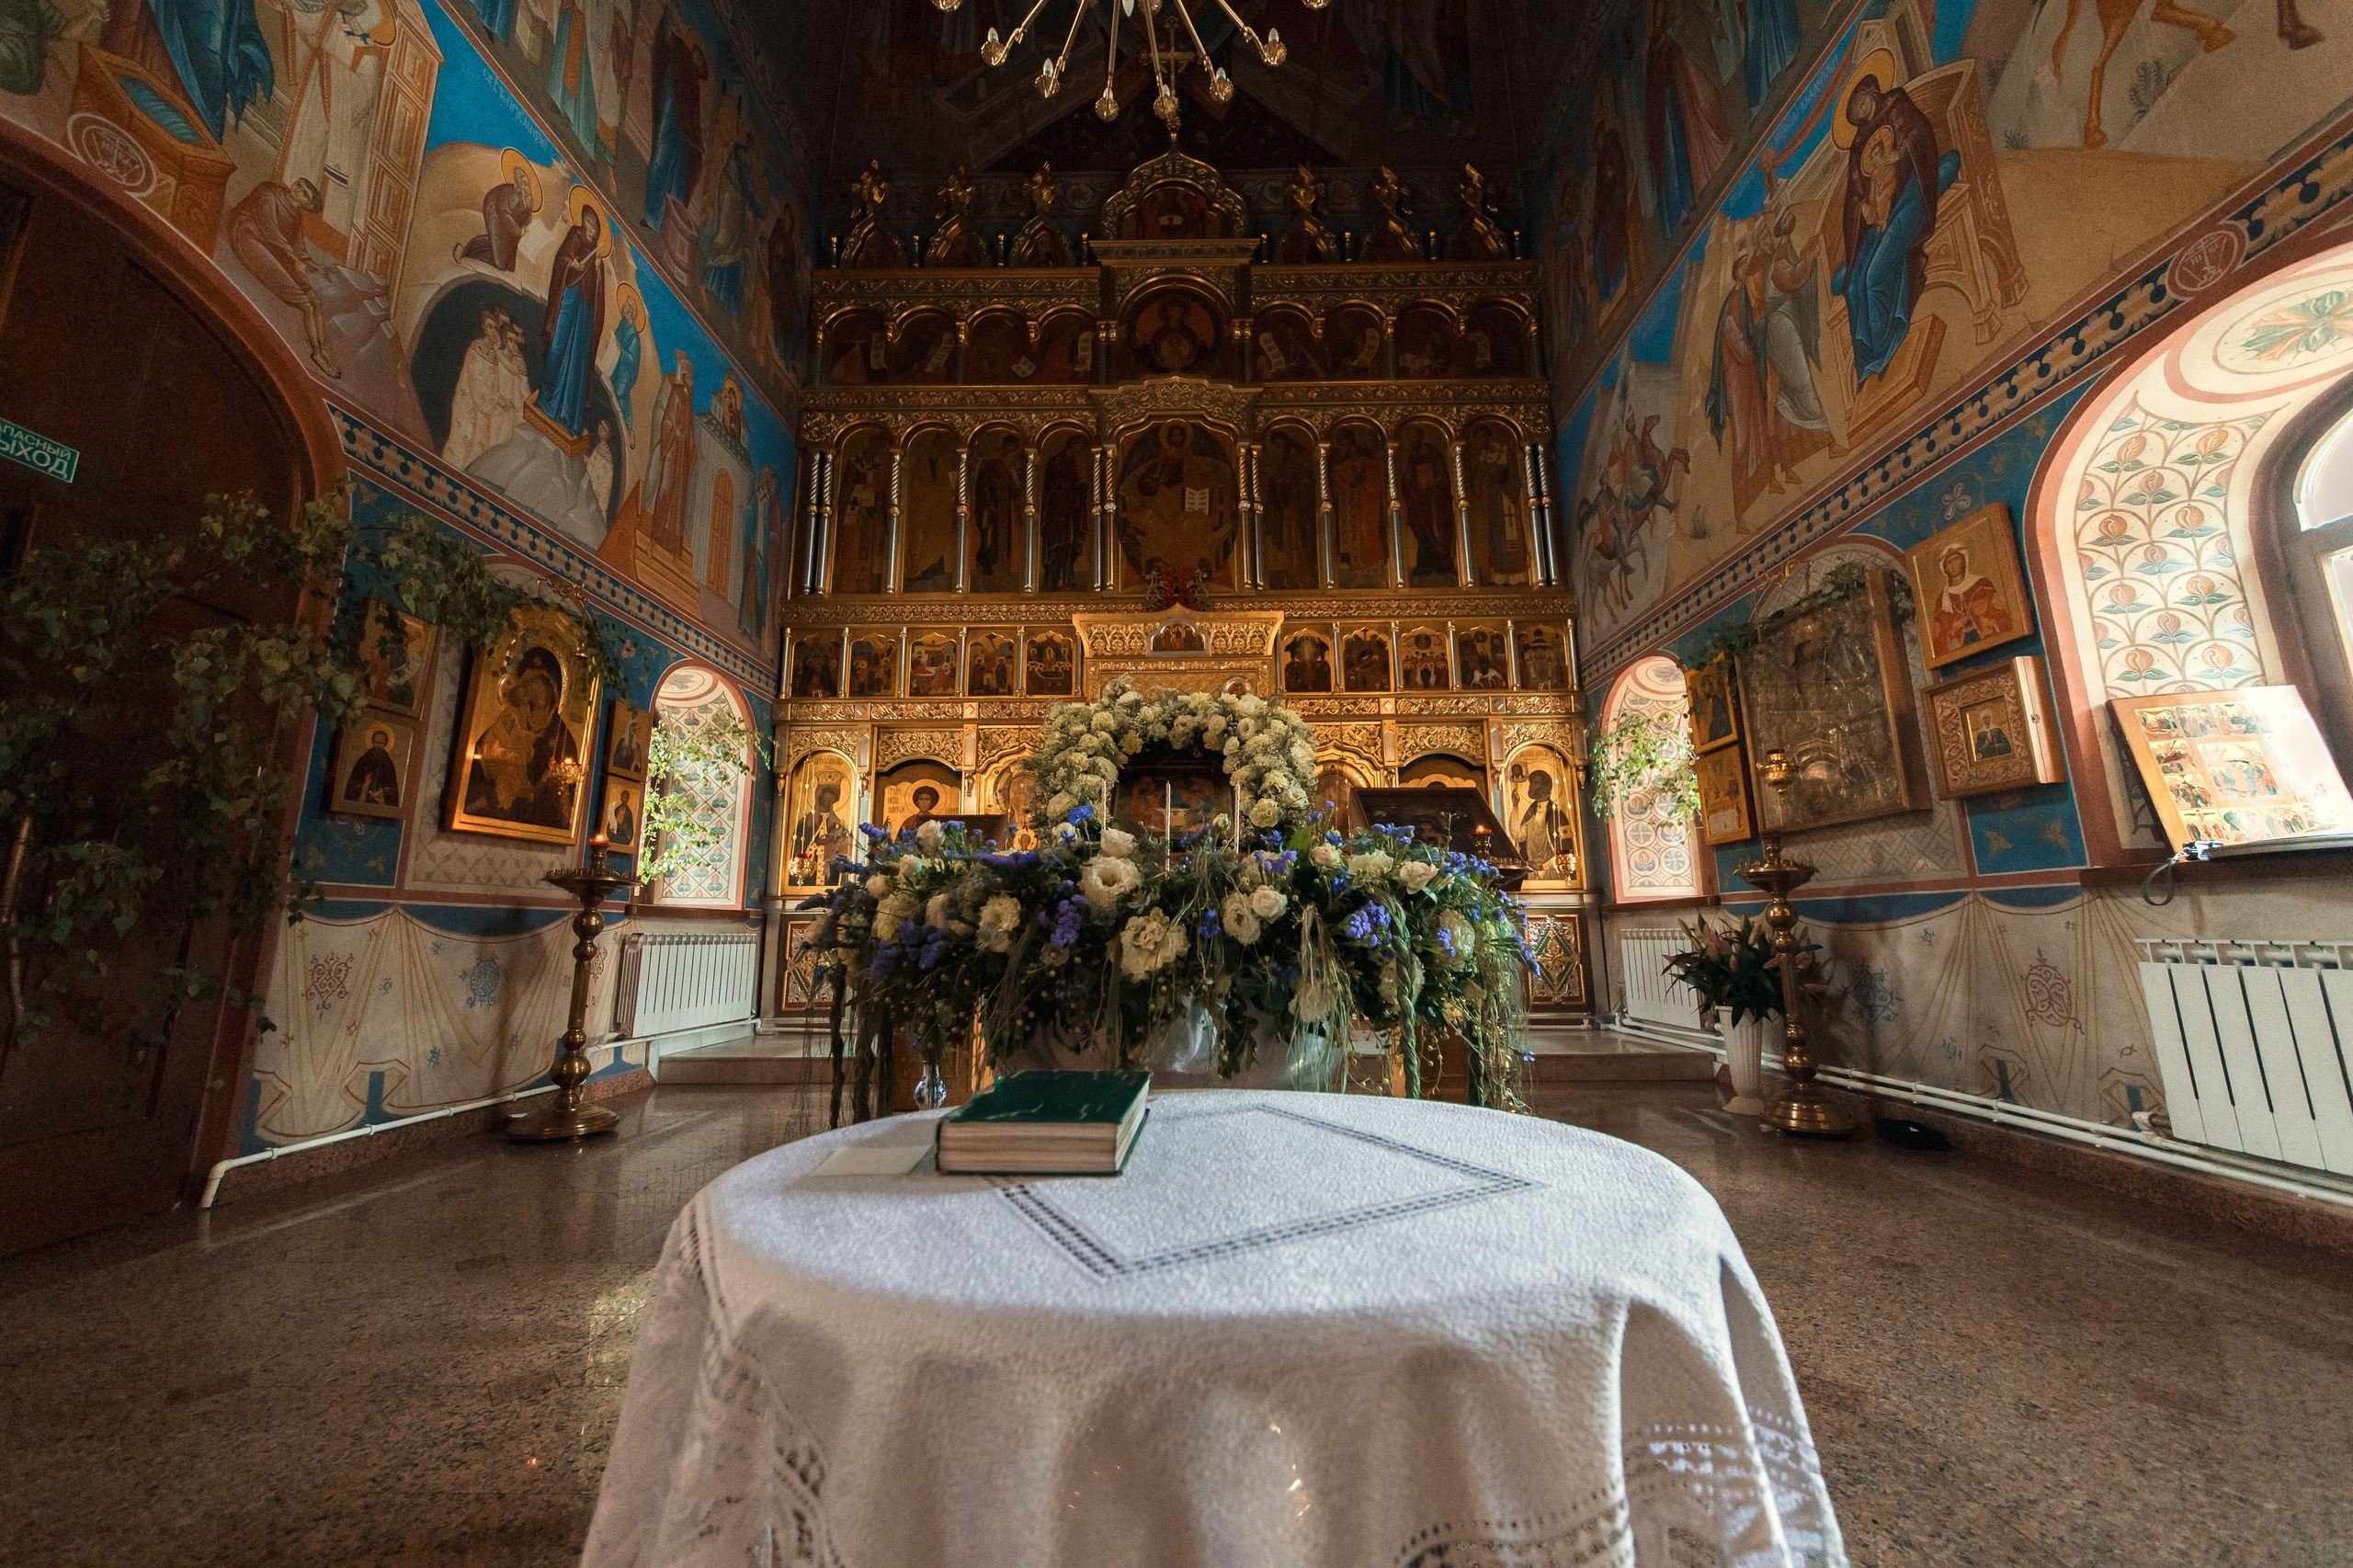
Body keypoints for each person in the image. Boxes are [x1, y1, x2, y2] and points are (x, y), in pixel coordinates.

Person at [1832, 74, 1952, 387]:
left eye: (1861, 104)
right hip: (1877, 219)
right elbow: (1854, 193)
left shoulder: (1897, 104)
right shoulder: (1859, 144)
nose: (1861, 114)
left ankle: (1885, 349)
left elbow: (1921, 135)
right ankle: (1864, 362)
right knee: (1853, 287)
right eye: (1856, 113)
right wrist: (1864, 208)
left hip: (1907, 197)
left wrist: (1900, 153)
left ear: (1872, 92)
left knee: (1871, 280)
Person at [226, 177, 341, 379]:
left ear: (308, 205)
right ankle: (316, 353)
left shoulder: (296, 215)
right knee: (305, 304)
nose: (299, 190)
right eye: (300, 185)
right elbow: (271, 230)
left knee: (315, 299)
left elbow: (297, 246)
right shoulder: (269, 193)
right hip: (247, 235)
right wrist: (294, 261)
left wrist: (313, 264)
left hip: (274, 248)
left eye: (305, 194)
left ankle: (324, 351)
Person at [464, 646, 580, 828]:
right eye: (531, 682)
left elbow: (564, 793)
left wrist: (529, 792)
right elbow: (481, 753)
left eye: (541, 683)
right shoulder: (511, 717)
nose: (536, 689)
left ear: (554, 688)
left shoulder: (563, 737)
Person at [537, 203, 607, 437]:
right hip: (569, 297)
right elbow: (561, 259)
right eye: (590, 223)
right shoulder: (575, 236)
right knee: (558, 345)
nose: (592, 229)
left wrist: (597, 272)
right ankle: (547, 398)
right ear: (583, 222)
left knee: (578, 358)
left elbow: (600, 297)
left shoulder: (597, 255)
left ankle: (569, 416)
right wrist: (572, 264)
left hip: (585, 311)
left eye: (595, 226)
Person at [1928, 545, 2013, 657]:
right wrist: (1953, 630)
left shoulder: (1982, 584)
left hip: (1991, 645)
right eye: (1949, 563)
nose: (1953, 565)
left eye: (1956, 560)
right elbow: (1939, 641)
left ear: (1964, 561)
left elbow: (2004, 618)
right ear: (1945, 569)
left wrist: (1991, 622)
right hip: (1962, 653)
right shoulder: (1942, 599)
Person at [458, 165, 536, 271]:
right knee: (500, 265)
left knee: (510, 267)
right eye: (525, 184)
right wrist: (518, 231)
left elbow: (528, 214)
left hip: (511, 223)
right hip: (495, 214)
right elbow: (503, 213)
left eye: (528, 183)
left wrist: (526, 226)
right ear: (519, 184)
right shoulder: (512, 194)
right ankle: (468, 251)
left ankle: (493, 245)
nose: (528, 187)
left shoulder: (527, 198)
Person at [1518, 768, 1566, 876]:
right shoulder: (1532, 810)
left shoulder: (1556, 813)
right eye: (1531, 783)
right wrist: (1515, 807)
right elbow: (1519, 837)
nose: (1531, 786)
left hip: (1551, 870)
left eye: (1536, 783)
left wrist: (1544, 866)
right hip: (1531, 869)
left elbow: (1564, 846)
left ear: (1545, 786)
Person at [342, 726, 401, 808]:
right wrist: (365, 786)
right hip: (363, 800)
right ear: (373, 742)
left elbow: (393, 789)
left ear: (386, 744)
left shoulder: (388, 763)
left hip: (379, 804)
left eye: (382, 743)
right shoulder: (363, 760)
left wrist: (382, 792)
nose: (379, 746)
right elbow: (352, 784)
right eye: (377, 742)